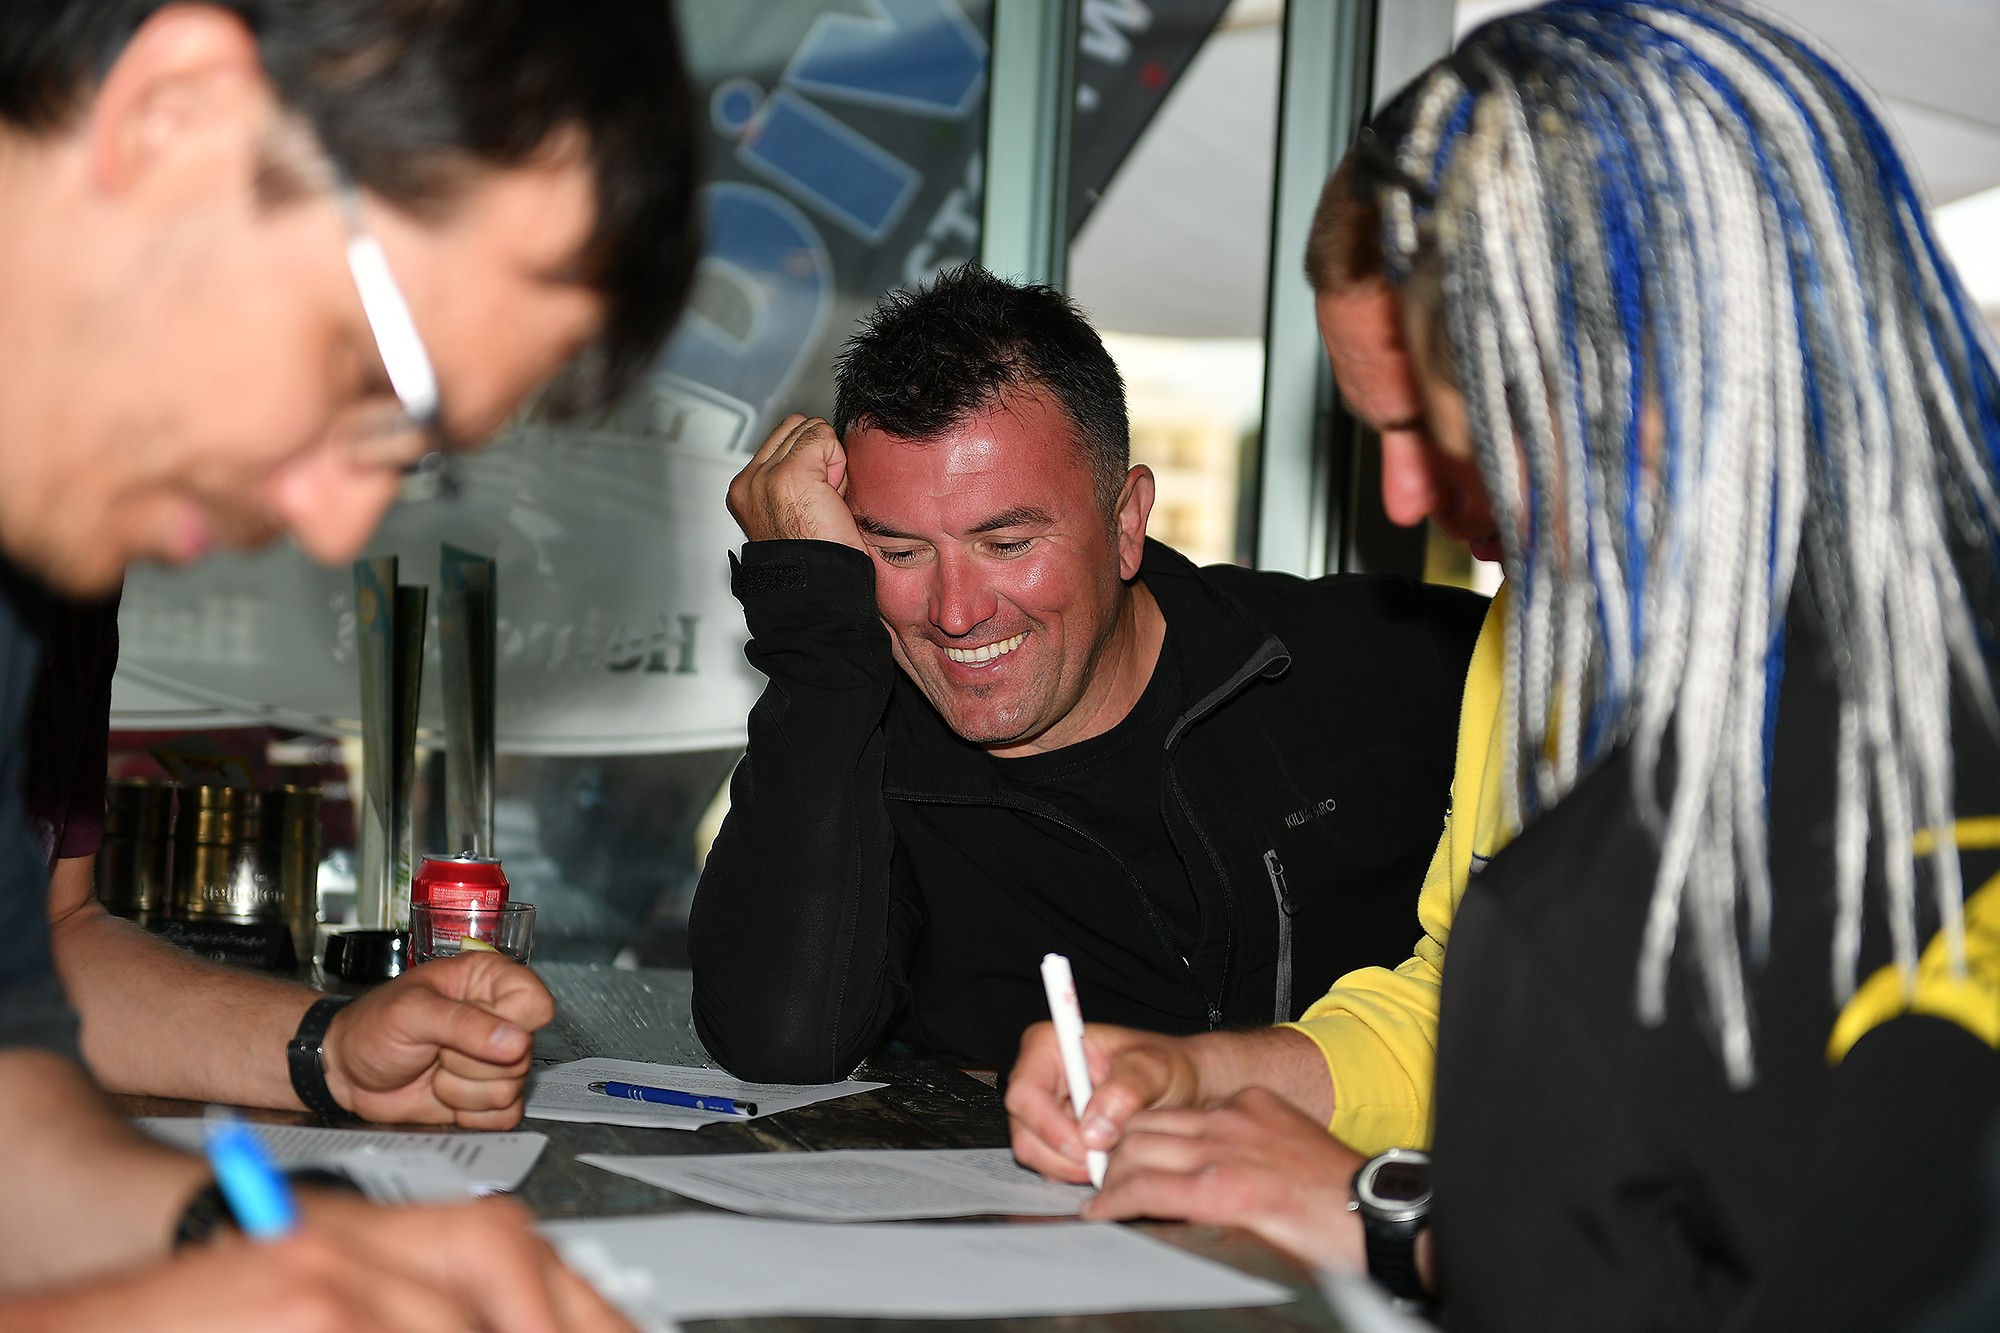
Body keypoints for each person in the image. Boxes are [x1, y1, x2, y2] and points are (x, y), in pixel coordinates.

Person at [1020, 2, 2000, 1327]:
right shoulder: (1534, 633)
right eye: (1377, 431)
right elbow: (1473, 1015)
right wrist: (1214, 1077)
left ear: (1636, 365)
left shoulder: (1599, 877)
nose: (1407, 496)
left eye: (1442, 416)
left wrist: (1396, 1220)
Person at [0, 1, 697, 1326]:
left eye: (410, 456)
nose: (332, 526)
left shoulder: (36, 547)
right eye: (365, 378)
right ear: (176, 116)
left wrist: (256, 1253)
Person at [691, 263, 1487, 1081]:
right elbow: (776, 1042)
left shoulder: (1395, 665)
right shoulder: (863, 755)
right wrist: (817, 641)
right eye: (898, 552)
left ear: (1127, 523)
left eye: (1007, 544)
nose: (956, 610)